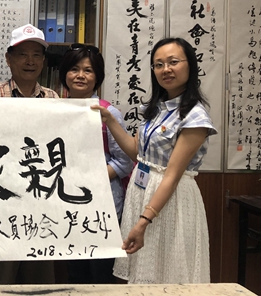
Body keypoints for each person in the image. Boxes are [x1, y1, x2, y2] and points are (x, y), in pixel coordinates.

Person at [92, 37, 216, 284]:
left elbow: (172, 176)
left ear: (190, 65)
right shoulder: (156, 108)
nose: (165, 69)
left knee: (169, 273)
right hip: (143, 191)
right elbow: (136, 152)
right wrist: (110, 120)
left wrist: (144, 221)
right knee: (145, 272)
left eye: (173, 62)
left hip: (171, 200)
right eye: (158, 65)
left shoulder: (195, 116)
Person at [0, 23, 57, 284]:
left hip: (41, 198)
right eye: (22, 54)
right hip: (4, 198)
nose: (30, 61)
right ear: (9, 59)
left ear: (43, 61)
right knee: (2, 275)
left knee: (40, 277)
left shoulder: (53, 99)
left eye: (36, 55)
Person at [59, 43, 133, 284]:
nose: (80, 75)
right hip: (67, 204)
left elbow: (124, 162)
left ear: (97, 77)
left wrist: (89, 178)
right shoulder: (55, 110)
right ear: (65, 74)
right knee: (75, 273)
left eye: (88, 70)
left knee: (101, 274)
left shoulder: (108, 113)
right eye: (74, 69)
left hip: (104, 205)